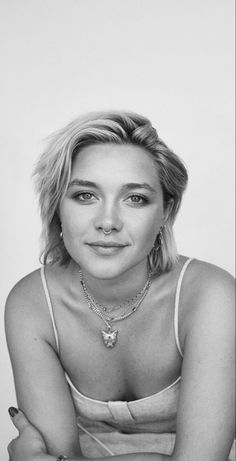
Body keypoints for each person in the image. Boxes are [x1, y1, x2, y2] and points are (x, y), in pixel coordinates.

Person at [5, 111, 235, 461]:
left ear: (165, 213)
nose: (107, 222)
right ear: (57, 209)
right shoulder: (32, 303)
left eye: (135, 198)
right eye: (85, 195)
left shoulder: (211, 297)